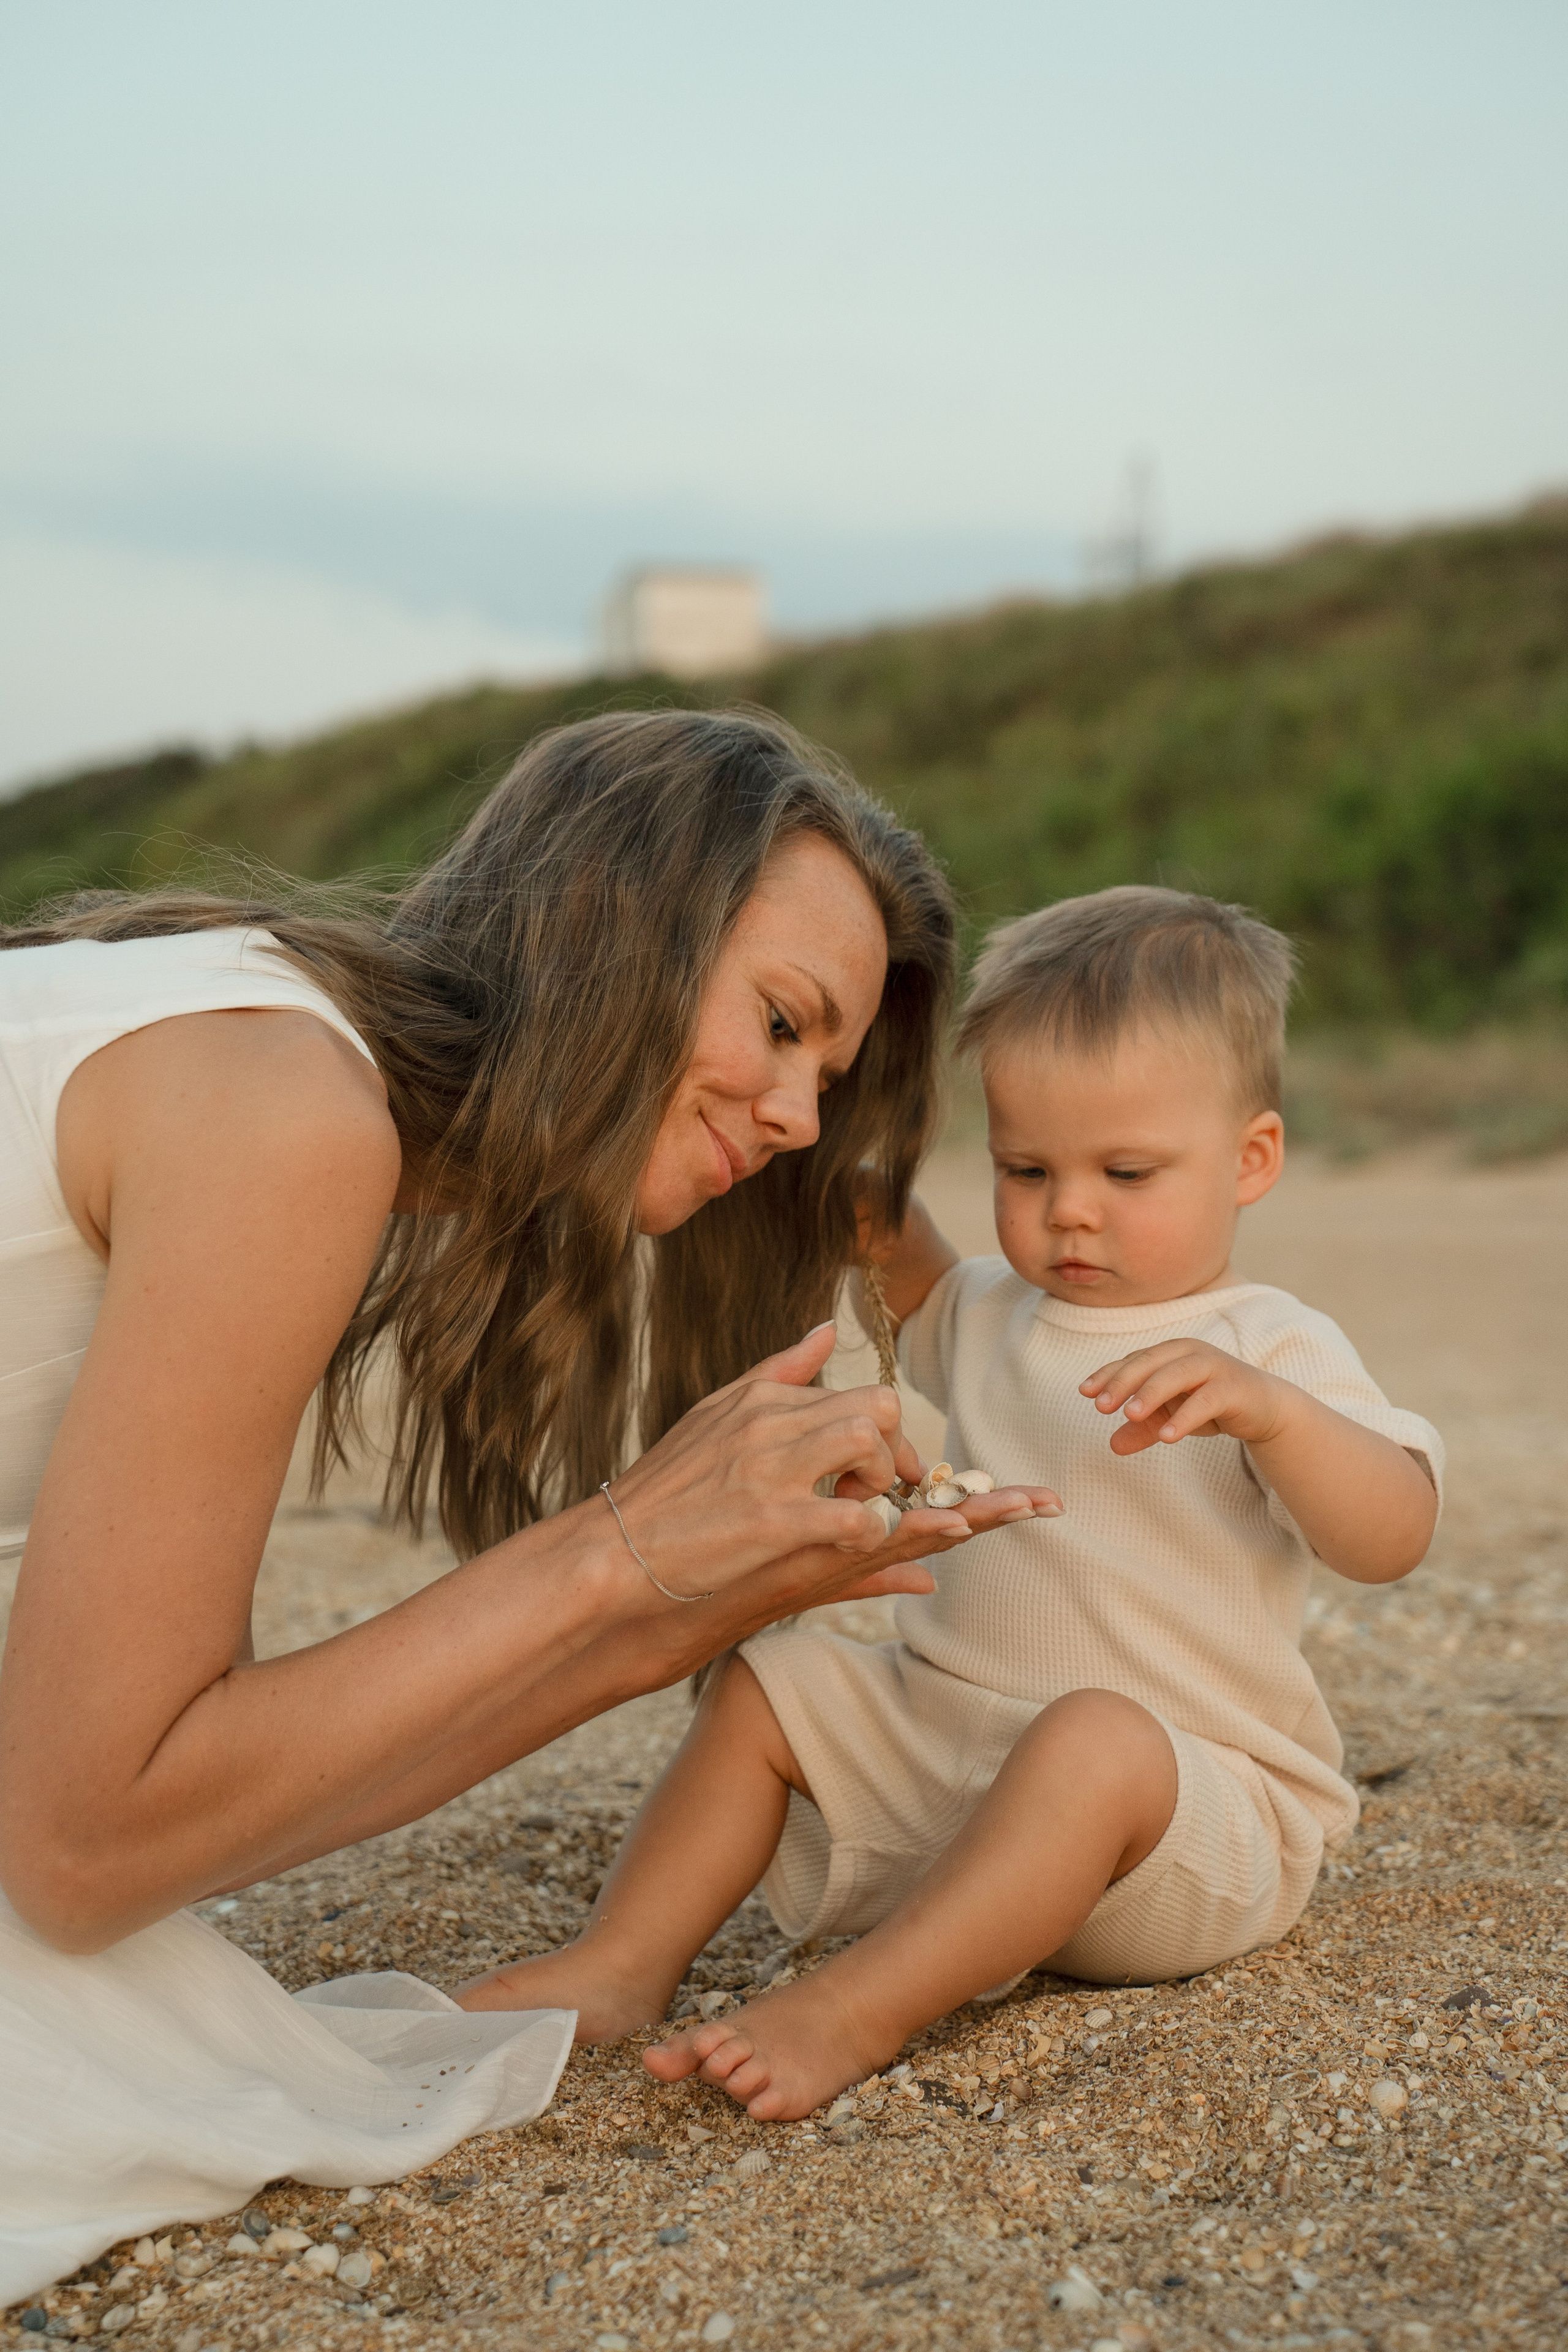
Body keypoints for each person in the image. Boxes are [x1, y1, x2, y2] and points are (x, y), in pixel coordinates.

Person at [0, 707, 1059, 2302]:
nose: (793, 1119)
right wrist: (622, 1548)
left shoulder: (275, 1048)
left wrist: (669, 1602)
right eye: (782, 1023)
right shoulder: (287, 1109)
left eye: (825, 1080)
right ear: (610, 930)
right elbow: (86, 1842)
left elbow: (144, 1814)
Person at [469, 885, 1443, 2122]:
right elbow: (908, 1261)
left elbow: (1391, 1533)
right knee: (774, 1680)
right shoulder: (993, 1307)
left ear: (1249, 1159)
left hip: (1182, 1814)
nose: (1067, 1208)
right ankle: (621, 1962)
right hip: (960, 1769)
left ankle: (857, 2007)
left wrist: (1276, 1417)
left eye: (1124, 1171)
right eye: (1023, 1168)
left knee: (1092, 1742)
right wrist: (856, 1192)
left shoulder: (1266, 1345)